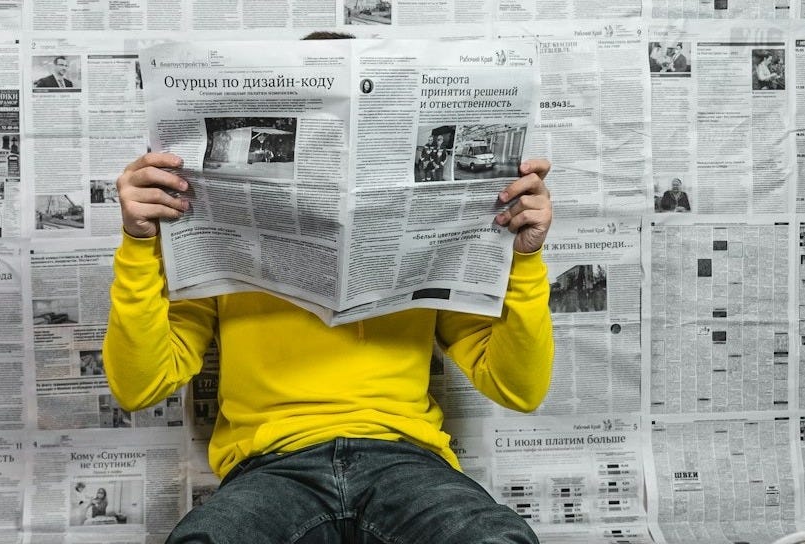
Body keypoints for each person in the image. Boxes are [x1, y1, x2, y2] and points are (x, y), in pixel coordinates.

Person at [103, 32, 553, 544]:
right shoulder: (216, 234)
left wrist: (524, 258)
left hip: (407, 461)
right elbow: (138, 387)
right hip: (272, 471)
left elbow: (519, 387)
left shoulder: (434, 235)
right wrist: (139, 244)